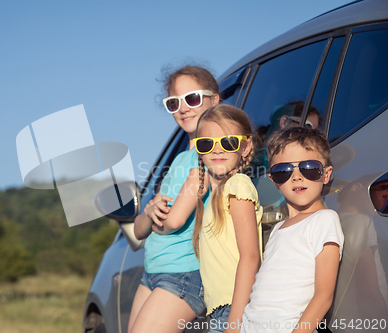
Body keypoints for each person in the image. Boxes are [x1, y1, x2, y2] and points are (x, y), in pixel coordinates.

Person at [129, 65, 219, 333]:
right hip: (152, 272)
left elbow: (174, 222)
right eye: (173, 102)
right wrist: (149, 213)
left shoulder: (211, 154)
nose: (183, 108)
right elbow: (139, 229)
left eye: (192, 98)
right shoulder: (179, 158)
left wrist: (153, 215)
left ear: (214, 99)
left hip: (182, 273)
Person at [241, 127, 345, 333]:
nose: (296, 177)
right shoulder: (278, 228)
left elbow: (323, 296)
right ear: (274, 181)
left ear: (326, 174)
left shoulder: (325, 219)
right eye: (283, 171)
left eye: (309, 168)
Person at [192, 105, 263, 333]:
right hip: (222, 310)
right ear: (198, 150)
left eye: (228, 142)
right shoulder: (213, 196)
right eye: (206, 143)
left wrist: (234, 323)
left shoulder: (237, 185)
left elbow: (250, 256)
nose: (217, 150)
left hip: (236, 307)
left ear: (245, 147)